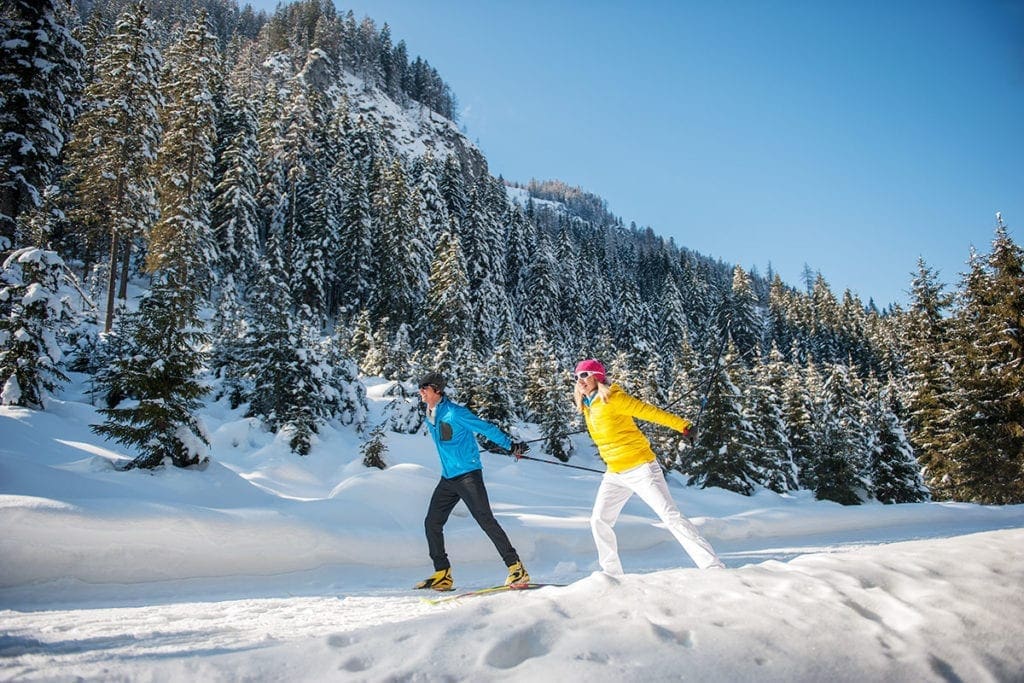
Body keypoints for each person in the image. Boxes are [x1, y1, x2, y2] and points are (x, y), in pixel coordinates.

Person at [572, 359, 726, 574]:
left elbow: (649, 412)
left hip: (641, 468)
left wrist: (683, 425)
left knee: (670, 516)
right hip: (615, 473)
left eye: (585, 375)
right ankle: (611, 573)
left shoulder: (614, 399)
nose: (580, 380)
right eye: (577, 376)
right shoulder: (589, 406)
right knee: (599, 520)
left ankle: (713, 566)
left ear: (598, 376)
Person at [414, 371, 531, 591]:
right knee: (432, 522)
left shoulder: (455, 413)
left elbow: (484, 428)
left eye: (424, 388)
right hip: (448, 477)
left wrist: (510, 446)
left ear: (437, 390)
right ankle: (443, 574)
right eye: (420, 387)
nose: (420, 391)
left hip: (468, 475)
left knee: (486, 520)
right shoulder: (430, 413)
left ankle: (516, 568)